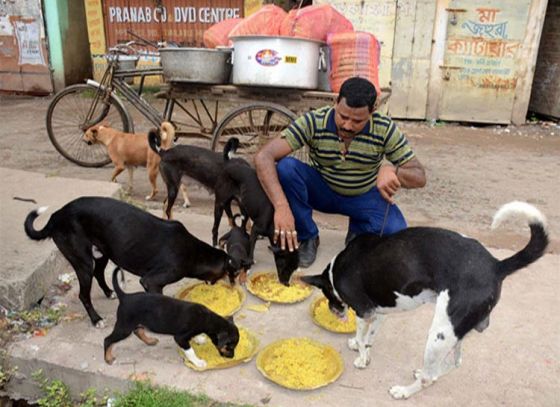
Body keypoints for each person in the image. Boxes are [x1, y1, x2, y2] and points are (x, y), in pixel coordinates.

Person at [254, 77, 426, 268]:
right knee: (286, 168)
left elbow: (419, 176)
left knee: (395, 231)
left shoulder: (384, 128)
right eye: (343, 116)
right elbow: (264, 157)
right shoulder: (314, 121)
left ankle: (359, 231)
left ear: (372, 112)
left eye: (357, 121)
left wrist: (393, 169)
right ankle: (308, 236)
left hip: (362, 196)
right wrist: (281, 207)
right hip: (323, 191)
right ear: (335, 103)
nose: (347, 126)